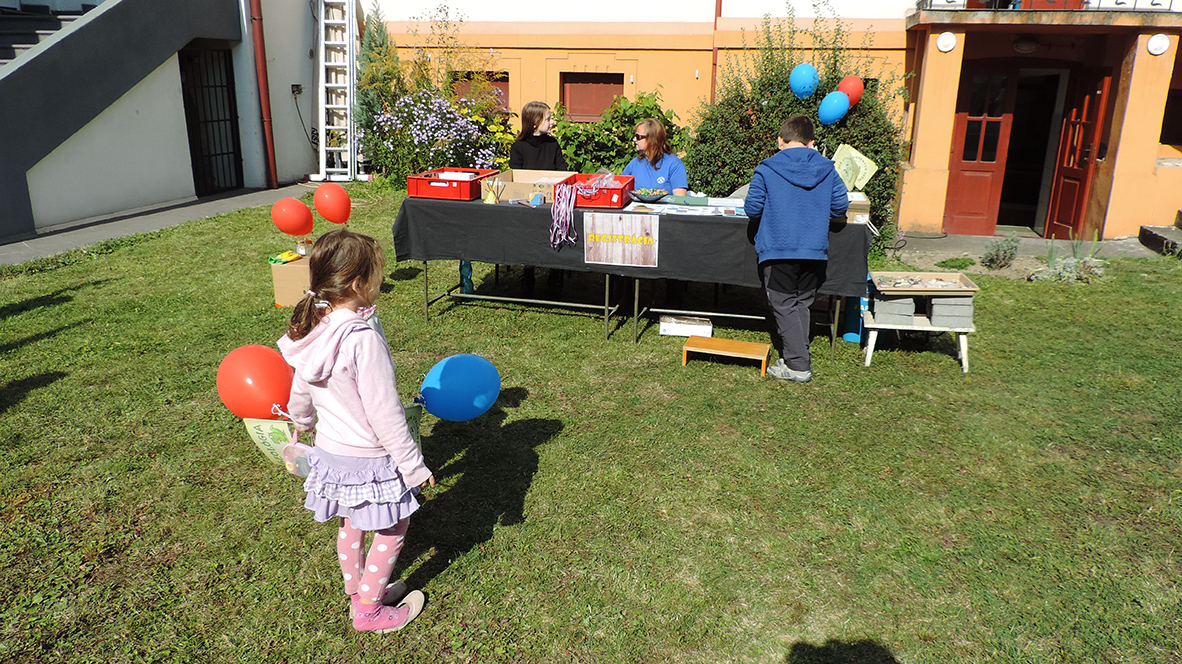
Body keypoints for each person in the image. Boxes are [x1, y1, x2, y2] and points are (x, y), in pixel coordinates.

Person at [278, 228, 434, 633]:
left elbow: (300, 388)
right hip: (369, 457)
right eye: (378, 276)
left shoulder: (313, 327)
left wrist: (302, 422)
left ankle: (359, 593)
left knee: (351, 522)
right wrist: (412, 466)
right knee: (393, 526)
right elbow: (385, 413)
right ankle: (369, 611)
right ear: (358, 284)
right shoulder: (362, 339)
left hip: (331, 451)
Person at [744, 115, 848, 383]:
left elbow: (752, 208)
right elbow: (840, 206)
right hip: (813, 249)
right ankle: (797, 356)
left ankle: (798, 365)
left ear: (781, 140)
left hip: (778, 248)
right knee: (801, 302)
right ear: (811, 142)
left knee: (784, 304)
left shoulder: (767, 168)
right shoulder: (827, 169)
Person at [509, 101, 567, 297]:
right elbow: (516, 176)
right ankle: (528, 273)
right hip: (527, 202)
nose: (552, 122)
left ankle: (555, 274)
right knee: (527, 231)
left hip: (552, 201)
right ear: (535, 122)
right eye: (548, 119)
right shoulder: (518, 147)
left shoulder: (552, 144)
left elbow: (562, 171)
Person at [622, 118, 688, 196]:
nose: (634, 139)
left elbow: (680, 199)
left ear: (652, 139)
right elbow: (620, 188)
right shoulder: (634, 163)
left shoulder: (674, 164)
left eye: (638, 136)